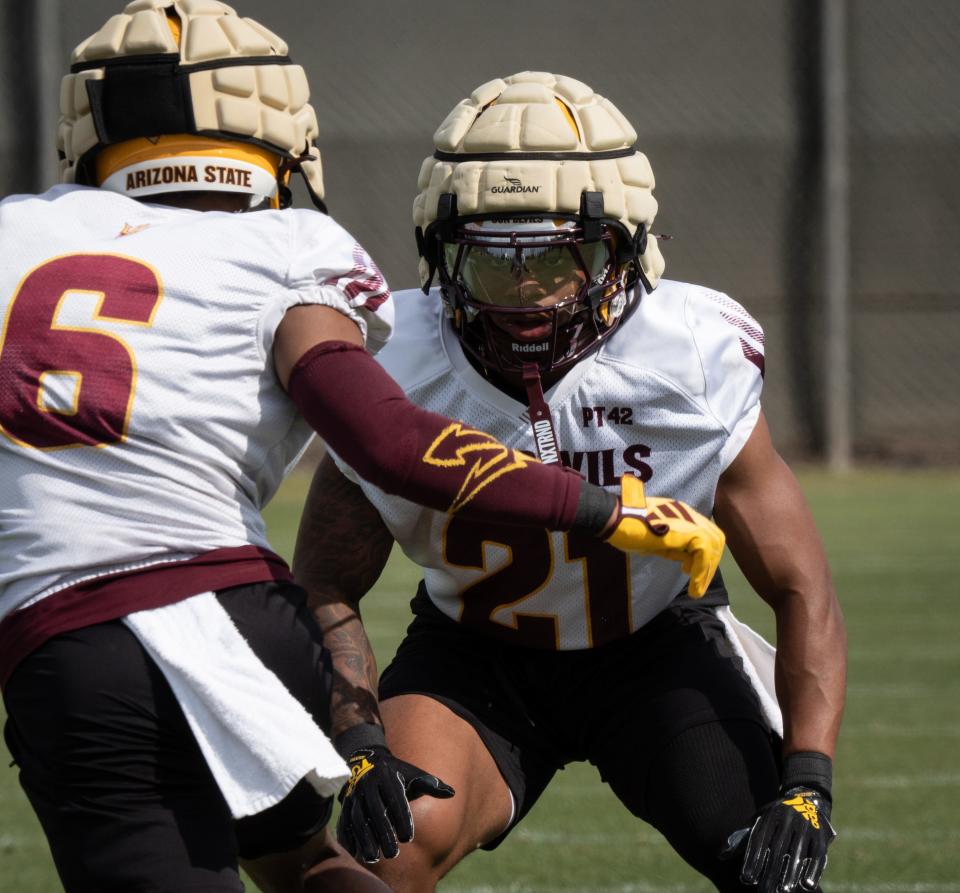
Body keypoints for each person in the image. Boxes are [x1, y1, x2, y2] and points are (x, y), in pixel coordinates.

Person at [0, 8, 724, 892]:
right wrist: (605, 507)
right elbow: (385, 437)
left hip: (71, 627)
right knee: (305, 862)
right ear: (281, 130)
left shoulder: (16, 231)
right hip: (247, 612)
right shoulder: (286, 246)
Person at [293, 72, 847, 893]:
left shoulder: (689, 359)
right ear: (442, 253)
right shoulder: (398, 358)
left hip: (657, 644)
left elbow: (802, 586)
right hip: (475, 656)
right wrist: (359, 741)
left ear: (622, 252)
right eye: (491, 263)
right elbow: (324, 580)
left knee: (773, 869)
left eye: (558, 258)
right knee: (387, 848)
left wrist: (808, 782)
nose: (526, 297)